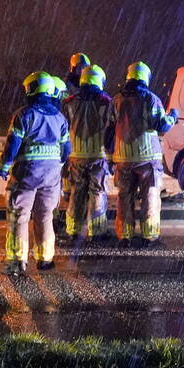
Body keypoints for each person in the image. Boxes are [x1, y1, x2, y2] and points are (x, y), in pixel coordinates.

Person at [0, 71, 70, 274]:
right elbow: (66, 149)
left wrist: (4, 166)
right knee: (45, 215)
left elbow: (13, 143)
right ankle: (45, 259)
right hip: (52, 173)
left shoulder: (24, 114)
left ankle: (17, 261)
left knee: (19, 215)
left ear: (33, 89)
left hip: (27, 173)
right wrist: (57, 164)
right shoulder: (59, 117)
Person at [109, 61, 177, 247]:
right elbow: (162, 126)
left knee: (125, 197)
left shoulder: (116, 100)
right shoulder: (151, 99)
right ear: (145, 78)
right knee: (150, 196)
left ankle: (124, 236)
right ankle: (149, 236)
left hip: (123, 158)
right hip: (148, 159)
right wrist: (173, 115)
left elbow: (110, 126)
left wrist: (110, 154)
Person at [62, 64, 113, 244]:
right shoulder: (106, 101)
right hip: (97, 155)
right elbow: (110, 130)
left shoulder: (69, 101)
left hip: (75, 155)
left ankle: (73, 231)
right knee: (97, 193)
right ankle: (96, 232)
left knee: (77, 192)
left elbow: (64, 128)